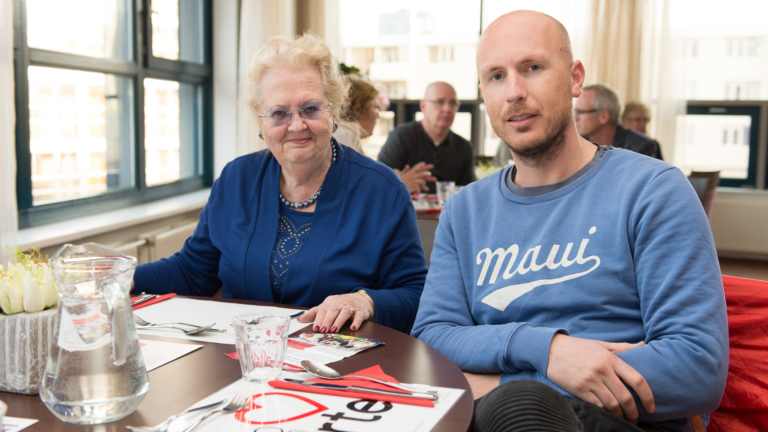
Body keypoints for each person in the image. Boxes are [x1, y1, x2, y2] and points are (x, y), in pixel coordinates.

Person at [411, 10, 728, 432]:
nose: (515, 92)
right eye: (496, 76)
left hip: (615, 422)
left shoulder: (652, 189)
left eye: (533, 68)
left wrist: (497, 382)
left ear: (575, 79)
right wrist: (548, 352)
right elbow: (433, 336)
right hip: (490, 419)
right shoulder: (465, 209)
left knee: (522, 404)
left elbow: (696, 369)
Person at [132, 34, 428, 334]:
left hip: (332, 368)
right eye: (279, 113)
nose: (297, 125)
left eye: (311, 108)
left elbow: (415, 294)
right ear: (261, 122)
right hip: (239, 361)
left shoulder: (382, 191)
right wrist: (121, 275)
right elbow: (192, 271)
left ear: (334, 111)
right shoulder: (236, 179)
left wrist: (366, 301)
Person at [334, 74, 435, 193]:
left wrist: (392, 179)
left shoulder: (341, 137)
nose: (377, 115)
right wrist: (401, 186)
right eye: (374, 107)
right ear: (358, 110)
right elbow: (361, 197)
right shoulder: (346, 140)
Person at [377, 82, 476, 193]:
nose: (447, 109)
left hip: (447, 209)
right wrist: (401, 185)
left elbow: (469, 192)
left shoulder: (463, 146)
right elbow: (377, 184)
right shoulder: (401, 137)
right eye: (439, 102)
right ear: (423, 106)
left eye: (453, 103)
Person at [575, 83, 663, 160]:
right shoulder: (577, 144)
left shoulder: (640, 148)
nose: (575, 118)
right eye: (574, 112)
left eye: (580, 112)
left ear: (603, 117)